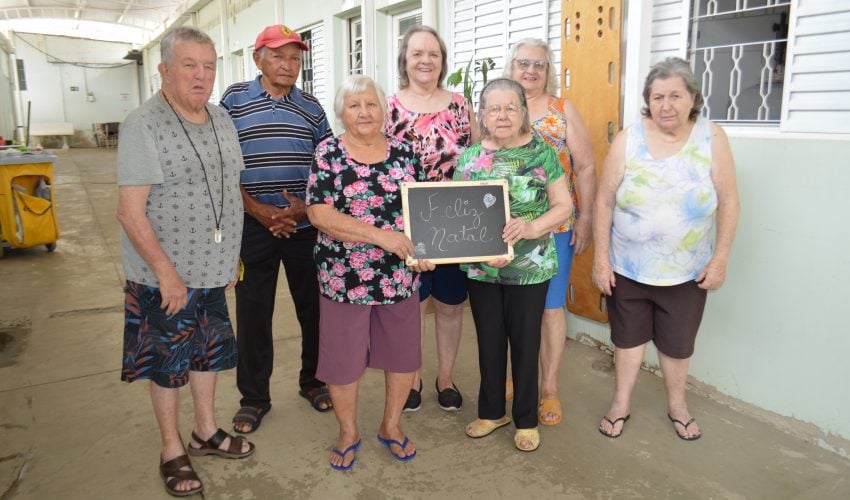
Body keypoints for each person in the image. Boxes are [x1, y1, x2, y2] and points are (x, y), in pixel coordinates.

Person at [116, 26, 254, 497]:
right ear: (165, 70)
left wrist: (230, 257)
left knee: (207, 355)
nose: (201, 75)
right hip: (163, 279)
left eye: (209, 66)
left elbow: (228, 192)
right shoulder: (144, 123)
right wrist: (167, 275)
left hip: (213, 272)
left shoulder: (220, 119)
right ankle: (171, 448)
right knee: (167, 365)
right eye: (189, 65)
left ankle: (206, 431)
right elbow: (130, 212)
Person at [593, 57, 739, 441]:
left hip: (688, 270)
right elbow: (604, 201)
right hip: (628, 266)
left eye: (675, 95)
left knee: (677, 344)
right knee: (627, 340)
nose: (666, 105)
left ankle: (678, 405)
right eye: (657, 97)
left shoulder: (712, 137)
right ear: (648, 100)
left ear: (693, 97)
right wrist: (601, 259)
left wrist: (720, 258)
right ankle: (621, 402)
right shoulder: (629, 138)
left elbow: (729, 201)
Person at [306, 75, 434, 470]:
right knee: (342, 360)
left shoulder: (404, 153)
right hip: (344, 278)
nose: (363, 112)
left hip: (399, 277)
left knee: (402, 357)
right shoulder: (328, 152)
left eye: (371, 104)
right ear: (341, 112)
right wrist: (381, 237)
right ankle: (348, 432)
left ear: (384, 109)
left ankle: (391, 426)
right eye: (354, 105)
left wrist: (428, 249)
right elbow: (319, 213)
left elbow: (424, 209)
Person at [220, 25, 334, 433]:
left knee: (315, 309)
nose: (288, 65)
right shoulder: (234, 100)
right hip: (252, 226)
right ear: (258, 59)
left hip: (304, 226)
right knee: (253, 313)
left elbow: (328, 166)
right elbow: (223, 165)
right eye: (278, 56)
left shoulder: (313, 107)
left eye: (295, 58)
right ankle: (253, 398)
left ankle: (315, 381)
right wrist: (255, 208)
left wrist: (303, 210)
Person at [454, 78, 572, 452]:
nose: (502, 115)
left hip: (530, 266)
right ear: (482, 116)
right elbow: (456, 209)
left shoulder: (543, 153)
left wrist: (532, 226)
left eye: (510, 108)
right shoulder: (470, 157)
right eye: (494, 108)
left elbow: (564, 206)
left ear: (523, 113)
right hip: (482, 268)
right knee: (489, 340)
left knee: (525, 342)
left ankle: (525, 418)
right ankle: (491, 412)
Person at [384, 25, 478, 412]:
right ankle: (413, 378)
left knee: (451, 304)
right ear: (405, 61)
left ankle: (445, 379)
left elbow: (476, 163)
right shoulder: (388, 107)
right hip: (405, 224)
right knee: (413, 306)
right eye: (417, 53)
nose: (425, 60)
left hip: (455, 224)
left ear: (442, 61)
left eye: (433, 54)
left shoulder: (460, 105)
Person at [505, 38, 597, 426]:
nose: (530, 70)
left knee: (550, 308)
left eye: (539, 64)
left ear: (548, 71)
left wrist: (586, 217)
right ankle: (515, 375)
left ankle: (549, 389)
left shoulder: (563, 111)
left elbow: (587, 167)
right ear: (512, 68)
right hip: (508, 230)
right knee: (511, 310)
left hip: (555, 228)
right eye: (523, 63)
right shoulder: (501, 107)